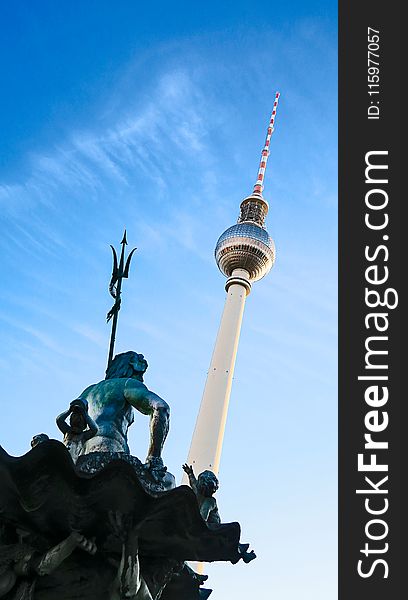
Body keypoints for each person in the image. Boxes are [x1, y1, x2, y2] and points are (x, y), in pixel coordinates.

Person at [76, 351, 170, 478]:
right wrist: (154, 458)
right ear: (131, 367)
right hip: (111, 449)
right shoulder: (126, 384)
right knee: (168, 480)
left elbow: (73, 425)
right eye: (140, 375)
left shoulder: (88, 391)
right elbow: (161, 407)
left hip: (80, 454)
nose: (141, 379)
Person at [182, 464, 256, 563]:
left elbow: (193, 483)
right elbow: (203, 515)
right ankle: (241, 552)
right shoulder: (205, 497)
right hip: (209, 527)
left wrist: (190, 473)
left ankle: (240, 551)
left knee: (230, 532)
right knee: (233, 529)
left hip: (210, 526)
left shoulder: (203, 497)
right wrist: (190, 473)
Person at [56, 399, 98, 463]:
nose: (76, 418)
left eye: (80, 417)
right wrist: (69, 411)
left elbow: (94, 429)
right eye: (74, 415)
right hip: (62, 459)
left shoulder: (83, 435)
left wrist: (84, 414)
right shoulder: (67, 431)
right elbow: (59, 420)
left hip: (74, 462)